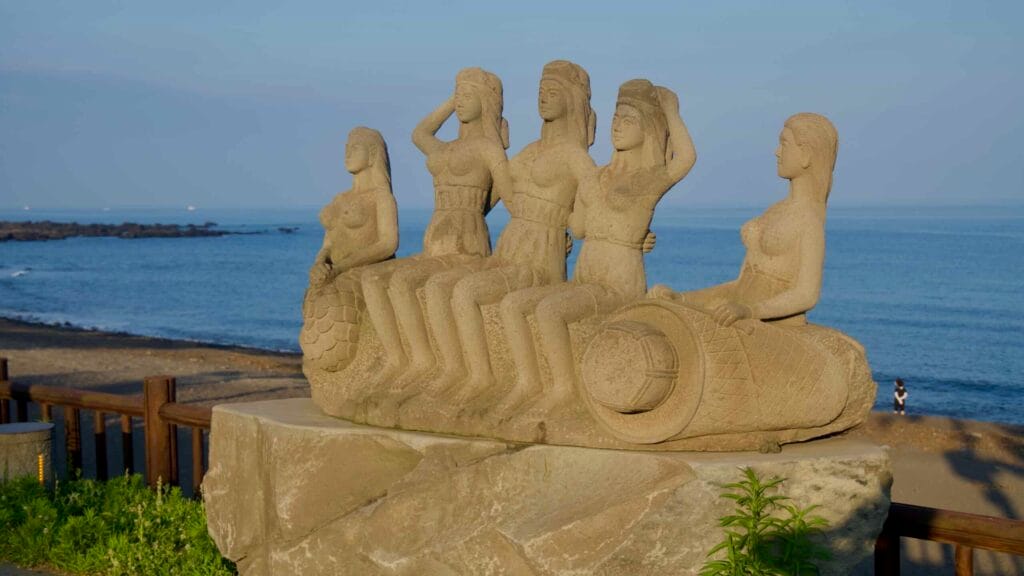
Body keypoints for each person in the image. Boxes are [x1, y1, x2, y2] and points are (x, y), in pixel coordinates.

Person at [499, 79, 697, 414]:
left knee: (549, 311)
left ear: (648, 130)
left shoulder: (649, 178)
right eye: (615, 118)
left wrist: (671, 111)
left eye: (628, 120)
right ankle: (528, 383)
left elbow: (686, 158)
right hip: (585, 276)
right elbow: (578, 228)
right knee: (513, 305)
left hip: (617, 283)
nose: (617, 126)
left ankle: (563, 391)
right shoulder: (598, 176)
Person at [417, 60, 598, 403]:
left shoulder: (576, 157)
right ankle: (455, 370)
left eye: (553, 92)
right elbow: (491, 198)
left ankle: (490, 380)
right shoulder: (528, 152)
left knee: (468, 292)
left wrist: (627, 235)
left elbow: (589, 213)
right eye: (540, 91)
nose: (543, 97)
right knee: (442, 284)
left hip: (539, 255)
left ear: (572, 100)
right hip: (506, 248)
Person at [361, 67, 512, 385]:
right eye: (457, 95)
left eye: (468, 96)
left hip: (466, 242)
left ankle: (441, 365)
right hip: (436, 240)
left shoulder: (489, 148)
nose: (460, 101)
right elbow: (419, 134)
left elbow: (511, 197)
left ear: (484, 101)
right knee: (373, 279)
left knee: (417, 285)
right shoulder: (444, 148)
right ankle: (399, 358)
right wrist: (452, 99)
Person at [650, 112, 839, 328]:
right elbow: (740, 285)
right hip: (741, 312)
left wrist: (750, 311)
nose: (777, 152)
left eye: (784, 144)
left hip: (769, 324)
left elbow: (807, 295)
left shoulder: (809, 220)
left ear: (806, 154)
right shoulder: (776, 210)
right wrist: (682, 298)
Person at [300, 127, 398, 372]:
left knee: (340, 299)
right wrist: (321, 262)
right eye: (346, 148)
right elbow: (329, 242)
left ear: (373, 153)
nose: (347, 153)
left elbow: (388, 243)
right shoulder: (340, 198)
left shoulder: (381, 197)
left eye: (355, 147)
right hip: (336, 270)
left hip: (366, 270)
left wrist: (342, 267)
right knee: (314, 295)